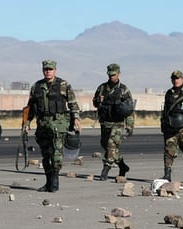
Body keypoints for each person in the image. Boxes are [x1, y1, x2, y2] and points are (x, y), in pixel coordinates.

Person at [25, 60, 81, 192]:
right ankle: (48, 181)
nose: (48, 71)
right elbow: (30, 107)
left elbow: (72, 103)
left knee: (56, 153)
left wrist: (76, 118)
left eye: (50, 69)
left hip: (59, 123)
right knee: (46, 154)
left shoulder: (63, 85)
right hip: (43, 124)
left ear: (55, 70)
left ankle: (55, 180)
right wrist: (27, 123)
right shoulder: (36, 87)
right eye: (46, 69)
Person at [92, 63, 135, 181]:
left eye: (114, 75)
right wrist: (98, 100)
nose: (112, 77)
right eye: (110, 75)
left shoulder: (123, 90)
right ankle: (122, 166)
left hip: (118, 123)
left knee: (112, 145)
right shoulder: (102, 88)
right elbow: (95, 103)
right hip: (105, 122)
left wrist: (130, 126)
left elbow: (129, 110)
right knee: (107, 146)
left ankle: (105, 169)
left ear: (119, 74)